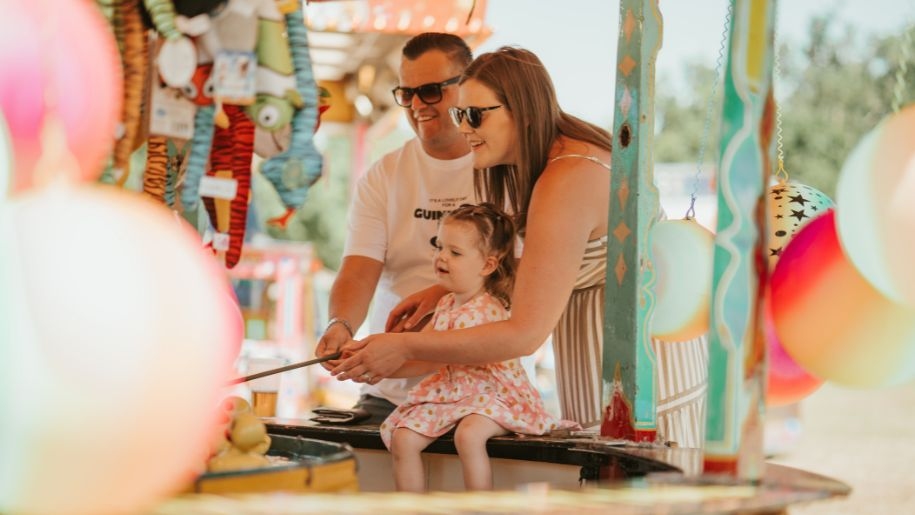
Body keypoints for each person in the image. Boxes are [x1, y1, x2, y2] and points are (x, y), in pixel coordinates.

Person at [331, 46, 615, 429]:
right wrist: (439, 293)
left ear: (523, 111)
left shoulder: (566, 178)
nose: (465, 128)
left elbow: (524, 334)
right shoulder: (556, 164)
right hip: (596, 353)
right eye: (461, 115)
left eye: (474, 116)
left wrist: (404, 345)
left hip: (624, 363)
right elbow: (541, 268)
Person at [313, 33, 476, 423]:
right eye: (408, 93)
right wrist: (340, 325)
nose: (418, 104)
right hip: (387, 393)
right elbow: (358, 267)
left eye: (432, 91)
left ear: (467, 88)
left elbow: (511, 279)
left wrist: (440, 294)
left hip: (476, 391)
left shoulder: (500, 169)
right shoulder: (385, 173)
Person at [379, 203, 578, 492]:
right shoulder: (446, 304)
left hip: (494, 394)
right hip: (452, 394)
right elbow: (427, 356)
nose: (441, 257)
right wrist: (378, 368)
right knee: (404, 437)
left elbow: (450, 354)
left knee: (469, 436)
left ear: (487, 265)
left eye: (455, 253)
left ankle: (479, 505)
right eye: (440, 247)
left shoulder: (491, 309)